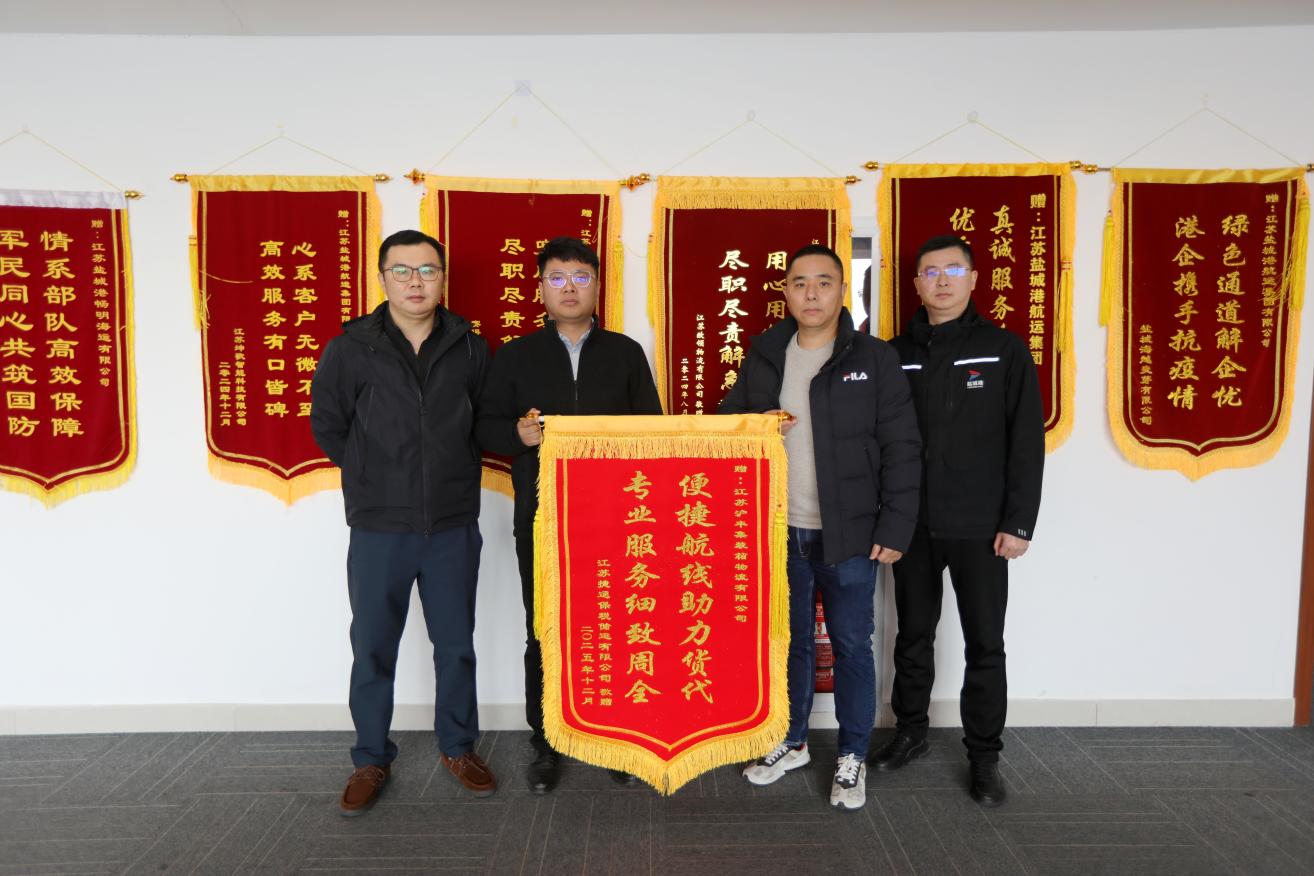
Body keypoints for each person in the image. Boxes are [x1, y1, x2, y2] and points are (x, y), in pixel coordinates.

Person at [719, 243, 921, 811]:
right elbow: (727, 422)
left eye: (824, 282)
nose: (811, 293)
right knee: (790, 643)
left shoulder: (873, 357)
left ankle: (853, 754)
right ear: (785, 291)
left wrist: (896, 525)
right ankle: (792, 741)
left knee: (853, 645)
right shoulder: (766, 353)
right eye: (800, 283)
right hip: (779, 529)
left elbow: (902, 446)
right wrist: (752, 424)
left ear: (843, 291)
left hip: (850, 533)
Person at [311, 229, 495, 816]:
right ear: (383, 278)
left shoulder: (470, 347)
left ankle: (458, 747)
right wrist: (372, 474)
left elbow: (481, 424)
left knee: (455, 645)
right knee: (372, 646)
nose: (416, 282)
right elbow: (328, 424)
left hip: (451, 524)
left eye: (428, 270)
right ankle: (370, 757)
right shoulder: (350, 348)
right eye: (403, 271)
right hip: (378, 528)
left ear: (443, 277)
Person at [475, 236, 662, 794]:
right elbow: (482, 427)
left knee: (618, 624)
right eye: (557, 278)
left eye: (581, 277)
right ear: (540, 288)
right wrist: (518, 435)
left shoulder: (625, 353)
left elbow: (653, 430)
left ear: (598, 286)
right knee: (545, 628)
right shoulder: (515, 355)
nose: (570, 288)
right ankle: (547, 741)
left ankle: (617, 737)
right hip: (542, 516)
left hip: (617, 518)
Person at [872, 234, 1044, 807]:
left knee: (985, 644)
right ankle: (910, 733)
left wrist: (1019, 522)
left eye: (952, 270)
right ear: (916, 284)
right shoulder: (894, 354)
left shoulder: (1002, 349)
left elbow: (1026, 442)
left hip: (982, 528)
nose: (941, 280)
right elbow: (879, 442)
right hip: (912, 526)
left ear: (973, 279)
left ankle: (984, 757)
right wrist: (885, 519)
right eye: (930, 271)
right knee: (912, 636)